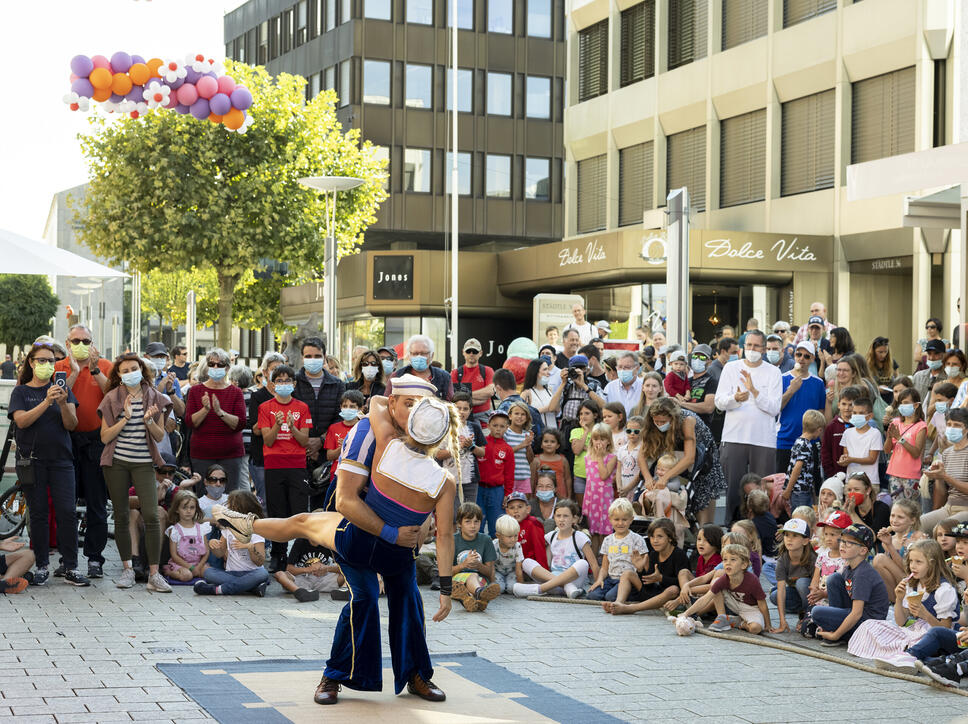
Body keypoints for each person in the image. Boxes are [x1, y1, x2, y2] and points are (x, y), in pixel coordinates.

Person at [211, 387, 458, 704]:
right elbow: (346, 501)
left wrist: (401, 402)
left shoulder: (397, 446)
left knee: (407, 601)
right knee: (362, 594)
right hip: (362, 528)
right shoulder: (394, 446)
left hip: (390, 547)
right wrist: (444, 586)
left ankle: (416, 675)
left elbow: (380, 405)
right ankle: (333, 676)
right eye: (405, 402)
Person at [8, 341, 88, 587]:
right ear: (31, 363)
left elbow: (71, 424)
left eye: (51, 361)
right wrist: (45, 402)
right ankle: (42, 564)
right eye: (41, 360)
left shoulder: (62, 390)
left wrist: (63, 403)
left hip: (61, 461)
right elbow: (21, 421)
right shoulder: (21, 392)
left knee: (66, 512)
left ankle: (70, 566)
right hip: (32, 462)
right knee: (39, 513)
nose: (46, 365)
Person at [98, 353, 173, 592]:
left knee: (151, 514)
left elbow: (160, 436)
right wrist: (125, 419)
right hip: (116, 462)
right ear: (119, 375)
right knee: (121, 515)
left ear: (142, 370)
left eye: (134, 367)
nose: (130, 372)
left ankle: (154, 574)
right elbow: (104, 437)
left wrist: (149, 421)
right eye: (125, 369)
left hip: (143, 463)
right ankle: (127, 569)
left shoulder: (156, 398)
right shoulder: (111, 398)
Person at [53, 324, 112, 580]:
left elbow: (113, 395)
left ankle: (95, 558)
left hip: (96, 440)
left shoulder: (105, 365)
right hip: (65, 440)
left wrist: (95, 368)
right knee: (65, 505)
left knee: (96, 503)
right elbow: (55, 397)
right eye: (75, 341)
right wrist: (75, 371)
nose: (80, 345)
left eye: (85, 341)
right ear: (67, 343)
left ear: (92, 342)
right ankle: (68, 559)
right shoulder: (58, 367)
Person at [715, 330, 783, 522]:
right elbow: (719, 402)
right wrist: (735, 399)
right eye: (749, 346)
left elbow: (774, 407)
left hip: (763, 439)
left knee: (761, 489)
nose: (752, 350)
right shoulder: (731, 368)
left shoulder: (773, 372)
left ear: (763, 349)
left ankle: (761, 525)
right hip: (734, 436)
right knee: (733, 487)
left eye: (756, 346)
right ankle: (732, 526)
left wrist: (754, 391)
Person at [258, 363, 314, 573]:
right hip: (274, 465)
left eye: (287, 380)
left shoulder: (302, 407)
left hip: (297, 465)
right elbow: (268, 440)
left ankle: (296, 555)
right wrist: (276, 425)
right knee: (277, 512)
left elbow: (304, 441)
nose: (283, 384)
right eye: (279, 381)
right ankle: (277, 555)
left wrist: (291, 427)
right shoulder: (266, 407)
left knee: (299, 512)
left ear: (294, 383)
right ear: (273, 384)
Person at [807, 523, 890, 645]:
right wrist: (823, 594)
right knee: (834, 579)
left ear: (863, 550)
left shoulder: (862, 573)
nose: (842, 545)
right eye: (842, 541)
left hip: (868, 624)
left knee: (817, 612)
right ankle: (842, 633)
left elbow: (857, 613)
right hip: (859, 616)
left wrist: (835, 636)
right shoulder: (850, 567)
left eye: (849, 543)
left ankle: (841, 634)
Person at [184, 348, 247, 491]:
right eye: (212, 364)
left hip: (231, 454)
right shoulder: (195, 391)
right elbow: (190, 422)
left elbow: (240, 423)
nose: (215, 367)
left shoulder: (236, 392)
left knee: (230, 497)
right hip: (202, 454)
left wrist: (220, 412)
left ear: (227, 367)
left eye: (220, 364)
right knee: (202, 495)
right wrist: (205, 409)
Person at [604, 518, 691, 615]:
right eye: (652, 537)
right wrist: (640, 570)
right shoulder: (653, 554)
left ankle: (631, 608)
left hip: (669, 596)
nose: (655, 540)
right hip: (652, 593)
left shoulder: (679, 555)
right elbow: (648, 582)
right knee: (628, 573)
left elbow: (682, 584)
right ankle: (618, 603)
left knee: (673, 589)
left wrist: (661, 578)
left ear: (670, 538)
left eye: (659, 537)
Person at [512, 499, 598, 599]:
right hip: (555, 582)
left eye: (565, 516)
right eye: (558, 516)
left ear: (574, 519)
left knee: (583, 563)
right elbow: (543, 557)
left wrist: (596, 586)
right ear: (554, 518)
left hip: (574, 581)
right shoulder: (550, 536)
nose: (561, 519)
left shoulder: (580, 537)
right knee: (526, 562)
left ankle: (539, 589)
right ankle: (566, 586)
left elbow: (594, 565)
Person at [294, 337, 346, 485]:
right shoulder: (293, 383)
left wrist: (321, 441)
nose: (313, 359)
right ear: (302, 358)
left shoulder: (337, 385)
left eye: (317, 356)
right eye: (308, 356)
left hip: (327, 454)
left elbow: (340, 417)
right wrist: (305, 442)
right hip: (297, 452)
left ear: (324, 357)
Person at [776, 341, 826, 472]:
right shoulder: (782, 378)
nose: (802, 359)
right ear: (794, 356)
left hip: (810, 441)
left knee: (810, 483)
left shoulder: (818, 383)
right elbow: (776, 408)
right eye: (799, 354)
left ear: (813, 359)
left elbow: (820, 413)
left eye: (806, 356)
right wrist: (791, 390)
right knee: (781, 481)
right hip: (785, 439)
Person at [587, 498, 648, 602]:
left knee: (610, 597)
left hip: (627, 581)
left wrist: (641, 568)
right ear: (610, 519)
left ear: (631, 519)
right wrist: (599, 579)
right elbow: (605, 567)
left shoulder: (637, 539)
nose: (620, 523)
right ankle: (613, 592)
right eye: (616, 519)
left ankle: (631, 594)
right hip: (610, 579)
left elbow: (644, 564)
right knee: (592, 595)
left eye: (624, 519)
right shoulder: (608, 540)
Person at [248, 352, 287, 507]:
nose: (277, 373)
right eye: (273, 369)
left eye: (281, 369)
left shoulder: (291, 396)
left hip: (285, 458)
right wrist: (272, 419)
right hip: (262, 459)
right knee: (265, 503)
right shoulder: (258, 397)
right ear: (265, 372)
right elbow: (256, 429)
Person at [437, 391, 485, 513]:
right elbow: (438, 454)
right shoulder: (444, 427)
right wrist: (457, 447)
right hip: (450, 480)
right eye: (458, 408)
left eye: (465, 409)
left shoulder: (474, 427)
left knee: (469, 514)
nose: (462, 412)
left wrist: (471, 446)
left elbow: (482, 452)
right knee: (452, 517)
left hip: (470, 481)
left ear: (470, 410)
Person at [922, 407, 968, 530]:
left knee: (942, 528)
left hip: (966, 509)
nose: (952, 428)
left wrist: (945, 476)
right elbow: (942, 493)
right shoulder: (947, 453)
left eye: (957, 425)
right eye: (949, 424)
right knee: (916, 525)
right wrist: (938, 478)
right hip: (948, 507)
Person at [450, 502, 500, 612]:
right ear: (459, 523)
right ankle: (480, 595)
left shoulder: (486, 540)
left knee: (474, 577)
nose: (473, 526)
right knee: (468, 578)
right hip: (456, 582)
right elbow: (446, 572)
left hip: (480, 580)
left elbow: (489, 572)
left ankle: (469, 599)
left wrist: (478, 565)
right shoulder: (452, 540)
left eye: (476, 521)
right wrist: (463, 565)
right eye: (468, 521)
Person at [769, 519, 817, 632]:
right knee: (774, 595)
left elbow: (816, 587)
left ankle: (808, 615)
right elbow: (781, 590)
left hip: (812, 595)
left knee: (802, 582)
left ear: (805, 541)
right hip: (797, 594)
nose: (789, 539)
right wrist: (782, 621)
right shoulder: (782, 560)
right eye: (786, 535)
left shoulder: (812, 559)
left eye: (795, 535)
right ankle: (800, 610)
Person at [884, 388, 927, 501]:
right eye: (901, 403)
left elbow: (916, 453)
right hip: (894, 473)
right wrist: (889, 436)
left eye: (906, 403)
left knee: (909, 508)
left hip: (911, 475)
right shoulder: (896, 422)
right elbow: (887, 450)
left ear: (916, 405)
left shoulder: (921, 426)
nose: (903, 406)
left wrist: (899, 438)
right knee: (896, 506)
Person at [477, 409, 515, 536]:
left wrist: (507, 494)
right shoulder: (481, 444)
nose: (498, 429)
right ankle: (476, 553)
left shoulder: (507, 449)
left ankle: (497, 552)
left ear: (507, 428)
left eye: (502, 426)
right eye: (495, 425)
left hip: (497, 491)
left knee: (497, 525)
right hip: (479, 488)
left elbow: (509, 474)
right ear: (488, 426)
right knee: (477, 522)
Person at [275, 532, 342, 602]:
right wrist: (307, 569)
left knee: (349, 571)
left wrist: (327, 568)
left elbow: (344, 566)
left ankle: (344, 589)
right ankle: (299, 592)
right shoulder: (300, 541)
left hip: (324, 579)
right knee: (279, 574)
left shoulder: (328, 542)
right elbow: (289, 569)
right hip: (303, 578)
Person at [583, 423, 618, 553]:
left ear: (608, 441)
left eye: (602, 439)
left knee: (604, 530)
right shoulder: (587, 457)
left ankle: (606, 557)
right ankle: (593, 559)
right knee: (592, 531)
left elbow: (603, 475)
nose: (599, 442)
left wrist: (599, 458)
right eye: (596, 439)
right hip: (591, 497)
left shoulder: (612, 457)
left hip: (604, 497)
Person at [387, 334, 453, 401]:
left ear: (432, 355)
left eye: (423, 353)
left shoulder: (444, 377)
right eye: (415, 353)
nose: (419, 357)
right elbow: (388, 402)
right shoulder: (397, 376)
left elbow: (450, 405)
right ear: (409, 356)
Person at [162, 490, 210, 582]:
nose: (188, 511)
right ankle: (169, 571)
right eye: (184, 507)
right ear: (177, 509)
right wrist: (191, 568)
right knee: (187, 576)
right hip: (181, 564)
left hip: (198, 563)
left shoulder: (201, 528)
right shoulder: (175, 530)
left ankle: (196, 572)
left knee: (209, 573)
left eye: (192, 508)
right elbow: (174, 555)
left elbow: (207, 552)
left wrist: (199, 567)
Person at [781, 410, 825, 510]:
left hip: (800, 490)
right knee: (801, 518)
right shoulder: (806, 445)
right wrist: (788, 490)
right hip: (800, 491)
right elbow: (797, 468)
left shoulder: (798, 441)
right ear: (818, 430)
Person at [839, 397, 884, 492]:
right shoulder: (847, 433)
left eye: (861, 413)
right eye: (854, 413)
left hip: (870, 481)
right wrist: (843, 460)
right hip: (851, 481)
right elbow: (846, 455)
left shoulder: (875, 433)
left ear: (870, 416)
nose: (856, 415)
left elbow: (872, 459)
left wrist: (851, 459)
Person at [451, 337, 494, 424]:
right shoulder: (455, 373)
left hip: (484, 421)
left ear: (480, 353)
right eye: (468, 351)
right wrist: (481, 398)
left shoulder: (487, 371)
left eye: (474, 351)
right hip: (462, 419)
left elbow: (490, 392)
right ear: (463, 352)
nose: (471, 354)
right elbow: (453, 398)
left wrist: (465, 396)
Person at [675, 344, 717, 431]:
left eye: (702, 358)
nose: (697, 360)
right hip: (682, 428)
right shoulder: (685, 381)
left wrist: (682, 404)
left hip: (701, 430)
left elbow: (708, 407)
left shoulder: (711, 382)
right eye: (695, 356)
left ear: (709, 362)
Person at [144, 342, 186, 419]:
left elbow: (181, 411)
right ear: (146, 357)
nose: (160, 359)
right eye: (156, 356)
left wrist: (170, 392)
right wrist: (160, 387)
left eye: (162, 357)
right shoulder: (140, 379)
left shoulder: (171, 379)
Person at [324, 390, 364, 462]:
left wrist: (350, 445)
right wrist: (343, 446)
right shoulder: (333, 428)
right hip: (336, 470)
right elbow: (329, 456)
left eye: (352, 407)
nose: (348, 409)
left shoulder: (364, 428)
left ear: (360, 409)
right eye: (345, 406)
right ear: (340, 407)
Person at [521, 357, 558, 432]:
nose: (548, 372)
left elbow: (557, 411)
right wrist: (549, 408)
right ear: (535, 372)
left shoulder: (549, 390)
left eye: (548, 369)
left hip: (553, 432)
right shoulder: (526, 393)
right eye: (545, 369)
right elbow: (523, 415)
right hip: (537, 433)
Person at [604, 352, 642, 418]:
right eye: (620, 367)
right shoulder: (610, 387)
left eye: (627, 367)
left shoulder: (644, 386)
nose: (622, 370)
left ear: (637, 368)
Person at [492, 514, 524, 593]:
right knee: (499, 589)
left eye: (515, 535)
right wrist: (492, 583)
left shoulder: (517, 546)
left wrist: (521, 587)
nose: (513, 539)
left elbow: (518, 569)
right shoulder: (493, 545)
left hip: (511, 572)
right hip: (497, 572)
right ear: (498, 536)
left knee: (512, 589)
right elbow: (491, 567)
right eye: (509, 536)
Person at [912, 339, 947, 403]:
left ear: (944, 355)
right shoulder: (918, 376)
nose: (932, 358)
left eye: (936, 354)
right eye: (929, 354)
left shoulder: (947, 379)